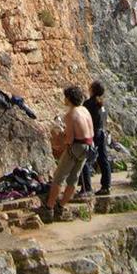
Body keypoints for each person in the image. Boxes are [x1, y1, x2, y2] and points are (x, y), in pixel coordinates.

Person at [45, 86, 95, 222]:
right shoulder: (85, 110)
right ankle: (61, 206)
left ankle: (49, 208)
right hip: (88, 147)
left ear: (69, 98)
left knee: (58, 177)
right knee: (73, 179)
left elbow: (70, 139)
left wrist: (61, 136)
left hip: (76, 146)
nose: (64, 99)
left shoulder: (70, 114)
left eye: (65, 97)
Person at [79, 80, 112, 195]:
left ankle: (86, 187)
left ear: (92, 90)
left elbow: (83, 119)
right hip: (102, 133)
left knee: (85, 160)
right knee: (103, 159)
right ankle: (106, 185)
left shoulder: (88, 104)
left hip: (92, 133)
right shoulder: (102, 105)